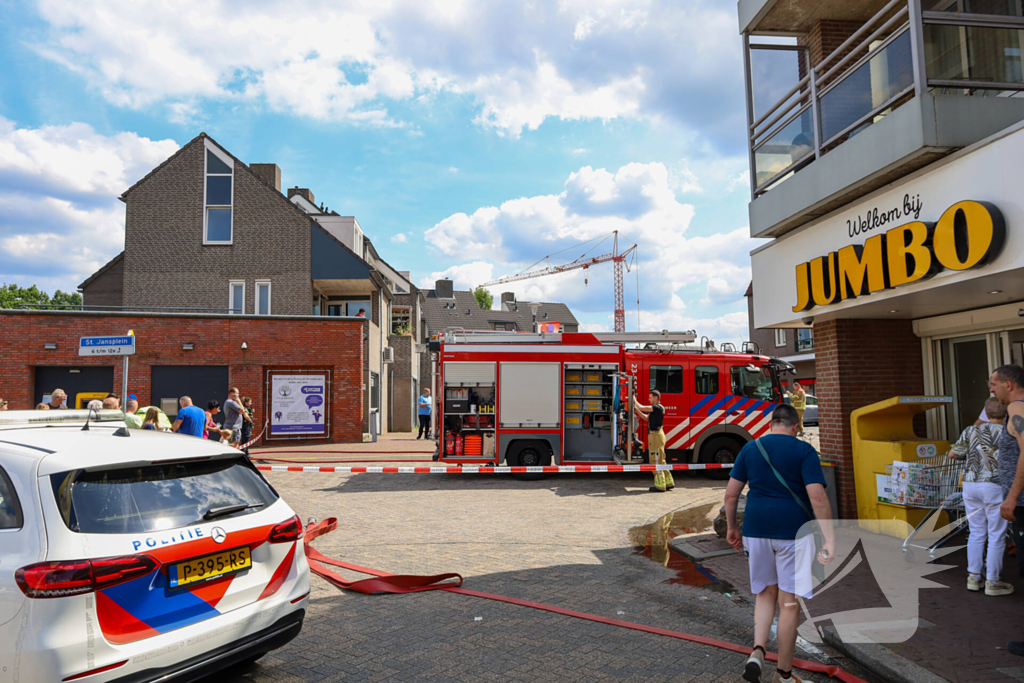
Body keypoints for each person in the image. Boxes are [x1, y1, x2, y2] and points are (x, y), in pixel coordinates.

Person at [724, 404, 835, 683]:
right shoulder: (804, 451)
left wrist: (731, 528)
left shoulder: (750, 449)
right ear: (796, 427)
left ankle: (757, 650)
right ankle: (784, 675)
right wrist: (830, 538)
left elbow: (730, 495)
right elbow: (818, 498)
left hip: (755, 530)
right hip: (793, 533)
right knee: (788, 604)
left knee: (764, 594)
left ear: (771, 423)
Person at [950, 396, 1013, 595]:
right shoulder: (1008, 432)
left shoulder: (970, 430)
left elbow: (953, 454)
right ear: (1007, 413)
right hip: (994, 486)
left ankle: (973, 577)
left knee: (976, 532)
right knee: (996, 534)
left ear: (986, 413)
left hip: (970, 485)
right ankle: (993, 581)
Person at [991, 364, 1024, 659]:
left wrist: (1012, 497)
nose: (991, 389)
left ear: (1009, 384)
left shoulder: (1017, 408)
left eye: (994, 383)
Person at [634, 389, 675, 493]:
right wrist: (637, 411)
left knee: (655, 460)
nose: (649, 399)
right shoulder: (657, 409)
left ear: (656, 398)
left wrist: (632, 396)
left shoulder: (657, 407)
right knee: (662, 460)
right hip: (657, 436)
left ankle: (660, 486)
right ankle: (669, 482)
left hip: (656, 436)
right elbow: (646, 418)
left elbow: (642, 407)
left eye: (650, 397)